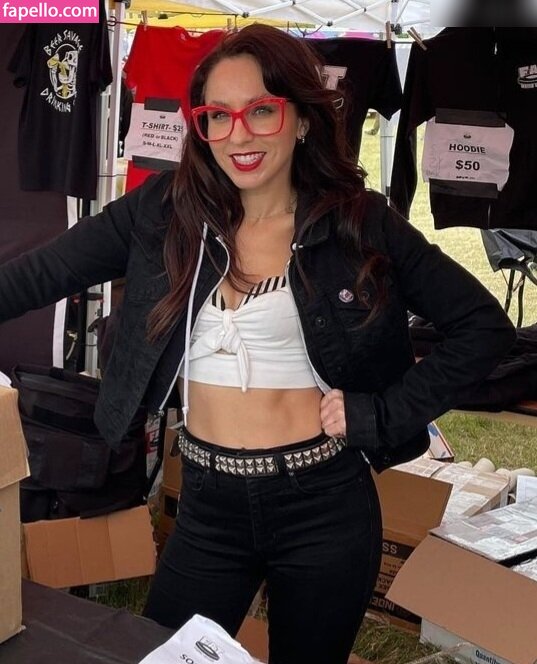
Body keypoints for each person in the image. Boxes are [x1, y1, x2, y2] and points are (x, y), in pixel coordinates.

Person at [0, 24, 515, 664]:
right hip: (206, 504)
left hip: (323, 505)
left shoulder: (358, 223)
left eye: (261, 111)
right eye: (218, 116)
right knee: (167, 654)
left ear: (301, 119)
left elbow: (482, 326)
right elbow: (39, 276)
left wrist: (381, 416)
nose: (238, 135)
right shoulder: (163, 212)